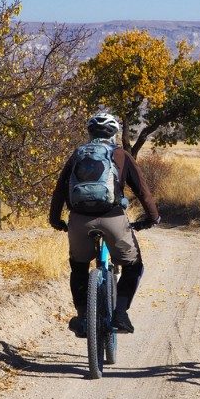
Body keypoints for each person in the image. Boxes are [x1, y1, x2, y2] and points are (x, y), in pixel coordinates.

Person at [49, 112, 160, 337]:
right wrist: (152, 218)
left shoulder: (78, 154)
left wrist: (55, 220)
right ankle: (120, 313)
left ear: (90, 133)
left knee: (79, 267)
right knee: (133, 265)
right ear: (114, 134)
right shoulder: (121, 155)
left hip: (79, 220)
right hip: (113, 219)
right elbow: (143, 191)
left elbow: (60, 190)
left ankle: (83, 318)